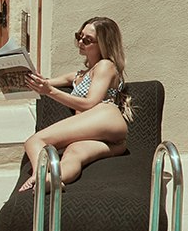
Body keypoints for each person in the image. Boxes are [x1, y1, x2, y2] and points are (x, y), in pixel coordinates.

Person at [16, 17, 132, 193]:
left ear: (103, 43)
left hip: (105, 116)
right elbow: (45, 82)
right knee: (73, 155)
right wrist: (23, 79)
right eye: (79, 36)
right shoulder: (79, 75)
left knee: (34, 141)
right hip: (108, 137)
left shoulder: (105, 66)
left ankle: (37, 175)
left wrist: (50, 91)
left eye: (87, 40)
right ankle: (51, 179)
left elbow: (90, 103)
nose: (80, 42)